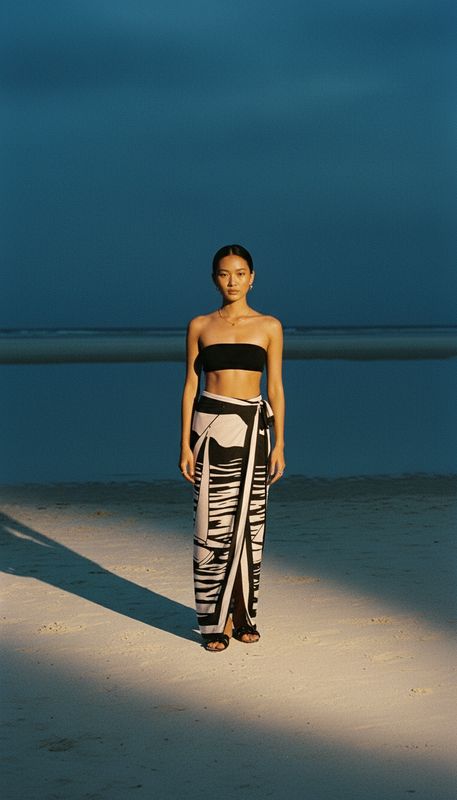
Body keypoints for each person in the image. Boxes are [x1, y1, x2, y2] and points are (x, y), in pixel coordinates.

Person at [179, 244, 286, 652]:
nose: (233, 281)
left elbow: (275, 387)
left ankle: (243, 616)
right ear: (214, 278)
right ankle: (214, 621)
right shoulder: (200, 325)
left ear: (253, 277)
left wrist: (279, 442)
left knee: (250, 526)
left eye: (240, 273)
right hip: (208, 429)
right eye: (225, 274)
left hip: (255, 429)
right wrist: (184, 444)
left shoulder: (270, 326)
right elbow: (190, 386)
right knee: (211, 525)